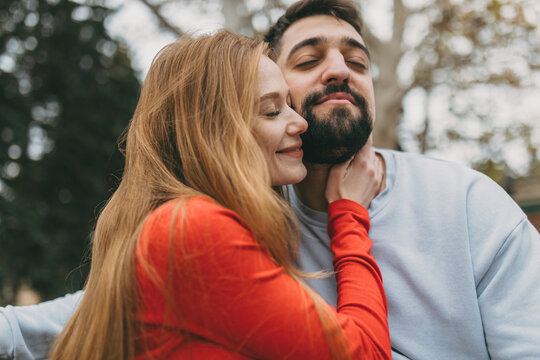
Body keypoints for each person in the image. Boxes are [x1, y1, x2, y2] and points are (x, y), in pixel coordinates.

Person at [1, 0, 539, 358]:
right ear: (237, 112)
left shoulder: (471, 204)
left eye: (357, 60)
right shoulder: (237, 218)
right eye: (309, 60)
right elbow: (91, 307)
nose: (339, 69)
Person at [16, 30, 391, 359]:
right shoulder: (195, 229)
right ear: (214, 133)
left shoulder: (171, 223)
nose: (301, 123)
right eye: (273, 111)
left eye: (290, 106)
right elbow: (366, 353)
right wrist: (349, 213)